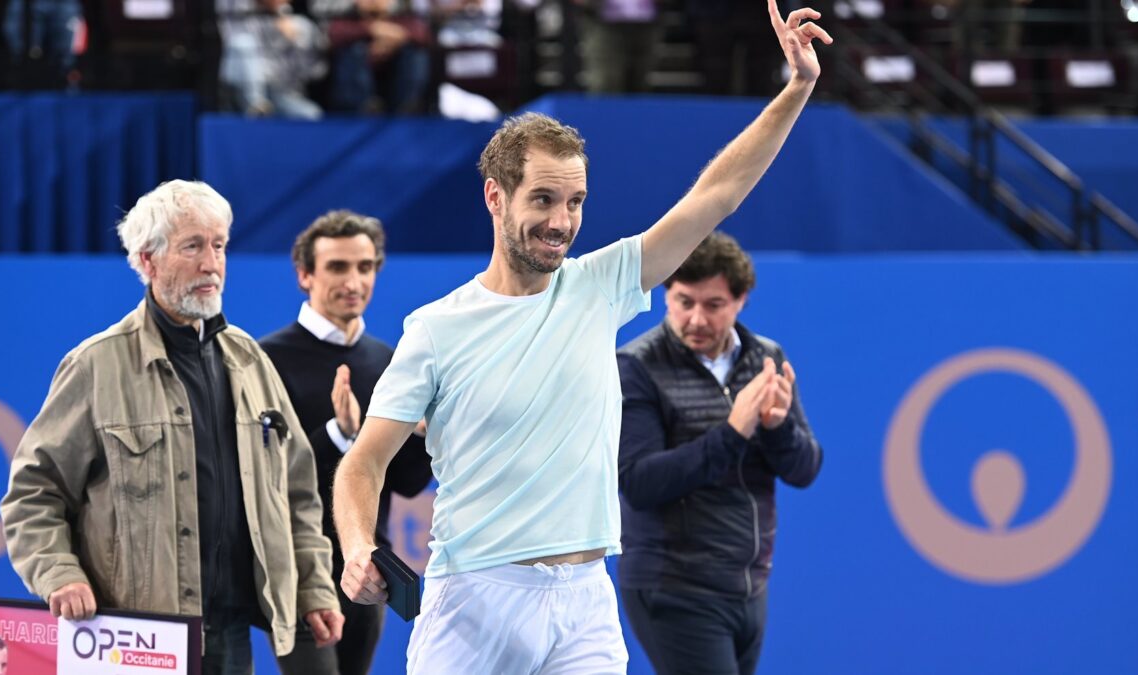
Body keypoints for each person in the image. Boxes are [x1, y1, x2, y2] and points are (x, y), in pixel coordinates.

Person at [333, 1, 831, 671]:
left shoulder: (601, 285)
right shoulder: (437, 328)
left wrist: (796, 88)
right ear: (495, 197)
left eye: (574, 202)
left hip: (584, 605)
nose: (561, 221)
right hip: (474, 598)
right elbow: (363, 462)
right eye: (542, 199)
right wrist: (361, 543)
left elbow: (719, 193)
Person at [0, 179, 343, 674]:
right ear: (147, 261)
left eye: (219, 246)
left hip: (229, 630)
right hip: (134, 636)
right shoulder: (97, 365)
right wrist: (58, 573)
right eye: (193, 247)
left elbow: (296, 491)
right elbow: (33, 492)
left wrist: (312, 587)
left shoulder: (250, 360)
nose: (211, 263)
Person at [616, 233, 823, 675]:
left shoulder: (766, 358)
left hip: (749, 587)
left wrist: (777, 426)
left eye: (713, 305)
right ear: (665, 294)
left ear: (741, 300)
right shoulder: (636, 367)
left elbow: (805, 469)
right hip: (673, 587)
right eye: (683, 301)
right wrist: (733, 431)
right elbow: (638, 483)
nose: (695, 318)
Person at [260, 210, 433, 675]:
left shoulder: (388, 360)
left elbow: (407, 485)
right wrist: (341, 434)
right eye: (337, 267)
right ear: (304, 275)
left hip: (368, 572)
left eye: (365, 266)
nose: (353, 280)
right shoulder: (266, 360)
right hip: (296, 570)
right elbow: (267, 478)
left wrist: (424, 436)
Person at [218, 0, 329, 119]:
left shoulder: (299, 24)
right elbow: (233, 39)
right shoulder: (240, 8)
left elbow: (316, 72)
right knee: (243, 44)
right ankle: (256, 106)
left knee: (312, 114)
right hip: (241, 85)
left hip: (279, 92)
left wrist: (297, 42)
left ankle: (263, 112)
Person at [326, 0, 432, 114]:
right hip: (353, 92)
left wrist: (394, 39)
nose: (373, 1)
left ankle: (407, 108)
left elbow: (423, 35)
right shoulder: (347, 17)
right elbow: (334, 34)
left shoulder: (403, 15)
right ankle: (362, 111)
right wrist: (371, 29)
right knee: (354, 50)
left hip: (394, 82)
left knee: (415, 54)